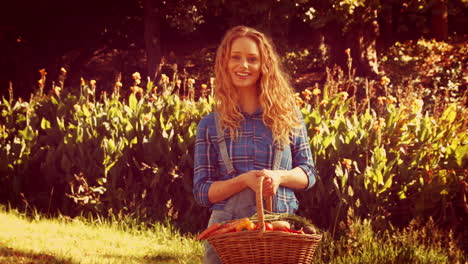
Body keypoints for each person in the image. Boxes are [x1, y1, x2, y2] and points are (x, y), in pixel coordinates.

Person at [193, 25, 318, 264]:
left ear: (264, 66)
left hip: (280, 231)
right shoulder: (210, 124)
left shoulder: (288, 116)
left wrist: (279, 177)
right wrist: (243, 180)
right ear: (224, 63)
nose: (244, 66)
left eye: (252, 59)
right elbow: (201, 191)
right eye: (236, 58)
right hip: (228, 235)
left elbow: (308, 174)